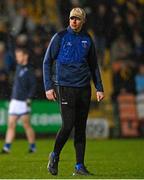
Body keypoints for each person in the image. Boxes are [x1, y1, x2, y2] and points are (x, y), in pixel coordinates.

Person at [43, 7, 104, 176]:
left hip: (84, 88)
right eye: (72, 18)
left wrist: (99, 87)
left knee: (80, 128)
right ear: (69, 19)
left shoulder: (88, 39)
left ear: (83, 21)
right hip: (65, 87)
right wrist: (48, 86)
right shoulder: (60, 37)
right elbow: (47, 62)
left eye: (77, 18)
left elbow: (93, 66)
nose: (74, 21)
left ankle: (79, 166)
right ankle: (54, 155)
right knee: (68, 125)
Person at [2, 47, 36, 153]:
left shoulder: (29, 70)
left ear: (25, 56)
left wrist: (29, 98)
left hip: (23, 101)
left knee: (26, 124)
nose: (17, 58)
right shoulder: (18, 67)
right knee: (11, 124)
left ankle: (32, 147)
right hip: (14, 100)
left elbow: (33, 85)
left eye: (19, 56)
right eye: (16, 56)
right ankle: (7, 147)